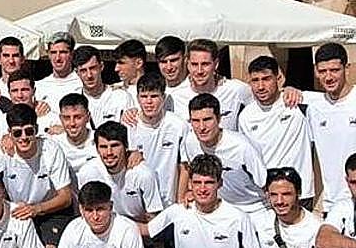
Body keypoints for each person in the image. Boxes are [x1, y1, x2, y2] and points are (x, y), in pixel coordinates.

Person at [300, 43, 356, 209]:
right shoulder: (313, 107)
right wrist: (290, 90)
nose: (328, 77)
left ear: (346, 68)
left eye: (334, 70)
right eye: (322, 71)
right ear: (316, 72)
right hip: (333, 205)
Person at [0, 104, 74, 248]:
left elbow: (66, 197)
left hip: (51, 209)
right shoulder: (3, 152)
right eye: (17, 133)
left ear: (36, 129)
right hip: (19, 212)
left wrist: (37, 209)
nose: (23, 137)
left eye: (29, 131)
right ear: (10, 134)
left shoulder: (51, 149)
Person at [238, 56, 315, 207]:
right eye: (255, 80)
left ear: (278, 78)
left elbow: (336, 99)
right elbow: (246, 158)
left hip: (300, 195)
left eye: (266, 79)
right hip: (267, 196)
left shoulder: (298, 102)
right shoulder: (245, 116)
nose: (260, 86)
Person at [177, 93, 266, 213]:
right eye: (196, 121)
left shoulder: (242, 146)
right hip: (219, 208)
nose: (201, 127)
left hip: (253, 208)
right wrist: (189, 192)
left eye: (207, 120)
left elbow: (265, 183)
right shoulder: (190, 142)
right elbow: (189, 170)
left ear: (218, 119)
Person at [76, 121, 163, 228]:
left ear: (126, 146)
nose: (109, 152)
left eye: (114, 146)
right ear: (97, 149)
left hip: (138, 232)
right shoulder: (87, 172)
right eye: (103, 147)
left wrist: (124, 230)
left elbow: (154, 224)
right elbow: (85, 213)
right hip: (101, 230)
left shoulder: (143, 174)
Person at [127, 71, 188, 204]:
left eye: (154, 96)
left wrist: (180, 200)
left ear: (164, 97)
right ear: (137, 98)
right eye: (144, 96)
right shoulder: (128, 125)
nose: (149, 102)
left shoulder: (178, 125)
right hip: (139, 203)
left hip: (169, 201)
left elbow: (184, 166)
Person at [168, 39, 251, 130]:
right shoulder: (175, 97)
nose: (199, 71)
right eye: (194, 64)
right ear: (188, 64)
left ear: (216, 64)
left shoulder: (236, 90)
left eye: (205, 64)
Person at [0, 70, 59, 141]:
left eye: (24, 90)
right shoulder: (3, 120)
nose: (20, 95)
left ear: (34, 91)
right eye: (15, 91)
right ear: (9, 93)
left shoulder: (51, 118)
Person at [74, 45, 130, 126]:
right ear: (77, 72)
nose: (89, 75)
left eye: (93, 68)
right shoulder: (73, 99)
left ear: (101, 66)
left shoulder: (121, 97)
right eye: (83, 71)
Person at [35, 32, 83, 111]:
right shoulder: (39, 86)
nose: (57, 58)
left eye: (63, 52)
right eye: (53, 52)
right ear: (48, 55)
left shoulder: (83, 83)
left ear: (72, 54)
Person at [155, 35, 187, 103]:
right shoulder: (152, 90)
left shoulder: (196, 89)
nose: (169, 67)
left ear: (185, 59)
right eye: (163, 62)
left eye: (173, 60)